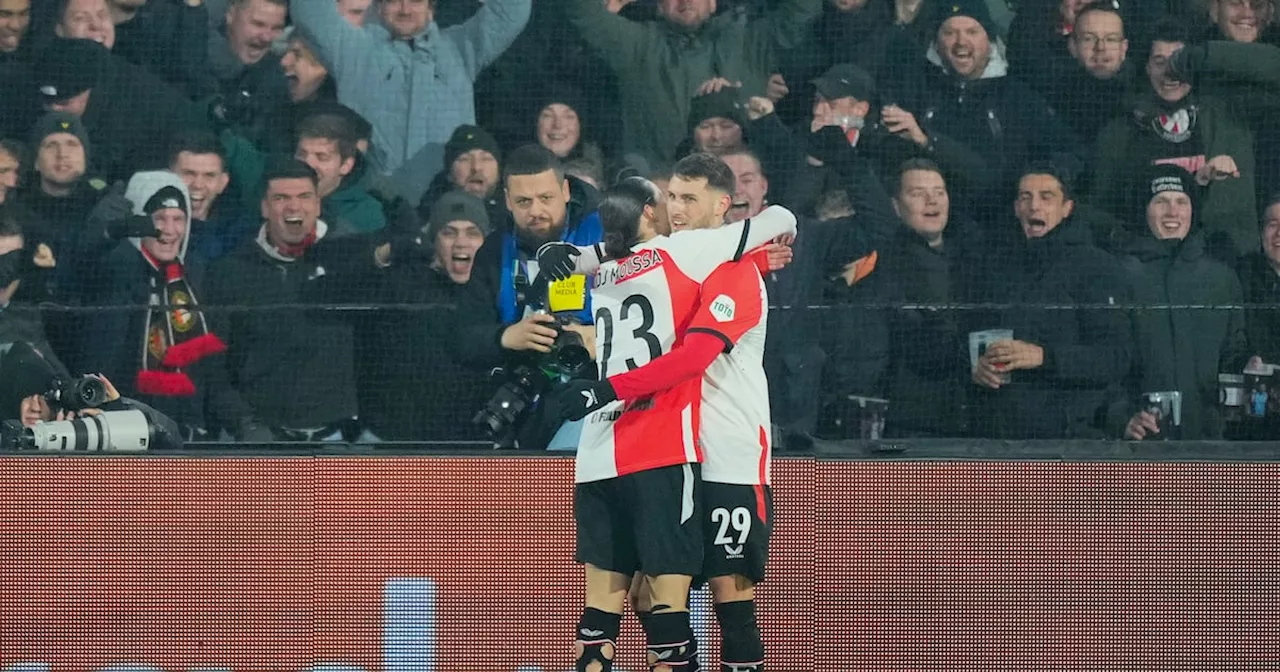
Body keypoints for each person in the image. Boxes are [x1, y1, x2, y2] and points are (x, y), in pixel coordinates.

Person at [537, 171, 797, 672]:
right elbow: (618, 254)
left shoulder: (730, 268)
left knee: (728, 594)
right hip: (666, 443)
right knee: (649, 596)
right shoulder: (668, 259)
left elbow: (695, 355)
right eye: (671, 196)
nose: (676, 208)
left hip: (725, 451)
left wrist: (572, 260)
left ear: (722, 205)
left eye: (689, 198)